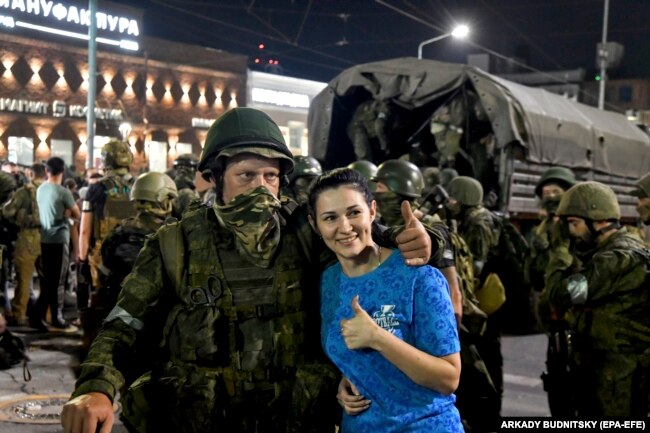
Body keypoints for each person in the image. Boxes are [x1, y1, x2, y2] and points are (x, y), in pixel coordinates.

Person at [61, 107, 432, 433]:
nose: (262, 189)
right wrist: (96, 387)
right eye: (247, 176)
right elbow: (124, 324)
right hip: (202, 419)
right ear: (216, 176)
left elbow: (373, 245)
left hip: (297, 418)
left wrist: (427, 240)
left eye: (271, 177)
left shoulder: (307, 230)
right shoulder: (176, 244)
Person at [308, 168, 462, 433]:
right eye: (330, 218)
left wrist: (378, 338)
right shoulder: (328, 282)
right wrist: (350, 376)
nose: (345, 227)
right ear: (315, 225)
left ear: (372, 210)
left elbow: (448, 377)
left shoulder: (417, 276)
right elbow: (358, 358)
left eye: (354, 212)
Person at [540, 181, 650, 416]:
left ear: (599, 221)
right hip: (601, 371)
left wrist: (560, 250)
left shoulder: (617, 259)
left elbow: (561, 295)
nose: (571, 232)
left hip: (618, 380)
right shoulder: (602, 252)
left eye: (574, 224)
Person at [80, 172, 178, 358]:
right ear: (161, 199)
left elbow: (104, 272)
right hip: (153, 323)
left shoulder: (118, 231)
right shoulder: (168, 235)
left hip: (118, 317)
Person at [78, 139, 135, 310]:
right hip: (136, 253)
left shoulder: (96, 189)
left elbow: (85, 230)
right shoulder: (140, 186)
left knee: (103, 306)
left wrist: (82, 262)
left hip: (103, 256)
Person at [35, 157, 80, 332]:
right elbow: (77, 215)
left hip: (45, 239)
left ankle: (39, 315)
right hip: (60, 240)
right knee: (59, 281)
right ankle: (56, 317)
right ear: (62, 172)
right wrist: (68, 213)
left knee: (48, 281)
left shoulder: (41, 189)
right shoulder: (64, 193)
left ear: (47, 171)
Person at [1, 162, 46, 326]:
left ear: (30, 174)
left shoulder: (24, 192)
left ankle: (19, 315)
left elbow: (7, 211)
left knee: (24, 280)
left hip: (27, 238)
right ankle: (45, 315)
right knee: (48, 281)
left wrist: (20, 219)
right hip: (50, 239)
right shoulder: (55, 190)